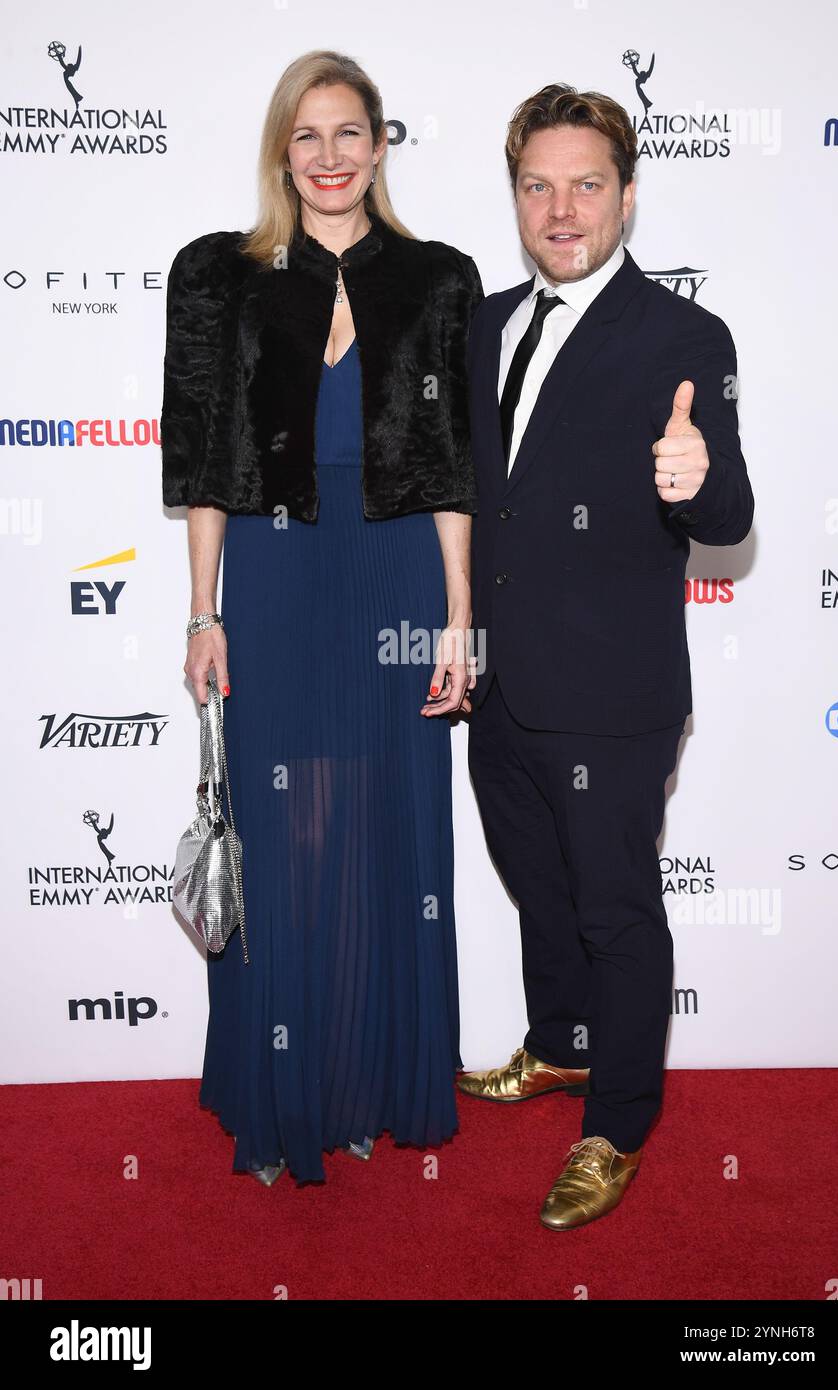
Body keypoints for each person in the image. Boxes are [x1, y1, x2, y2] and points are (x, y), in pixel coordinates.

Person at [161, 50, 483, 1186]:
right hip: (277, 572)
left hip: (395, 572)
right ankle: (282, 1087)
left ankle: (360, 1083)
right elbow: (204, 461)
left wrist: (459, 618)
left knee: (382, 831)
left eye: (350, 133)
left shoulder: (439, 280)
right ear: (280, 152)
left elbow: (452, 473)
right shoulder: (217, 276)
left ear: (381, 146)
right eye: (308, 136)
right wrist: (203, 613)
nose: (330, 156)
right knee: (285, 833)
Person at [459, 84, 754, 1229]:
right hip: (499, 684)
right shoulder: (482, 324)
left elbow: (724, 510)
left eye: (586, 184)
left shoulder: (682, 337)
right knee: (542, 890)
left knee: (616, 909)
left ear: (627, 196)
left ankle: (617, 1123)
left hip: (613, 694)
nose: (561, 207)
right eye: (539, 184)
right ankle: (564, 1045)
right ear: (516, 196)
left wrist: (697, 479)